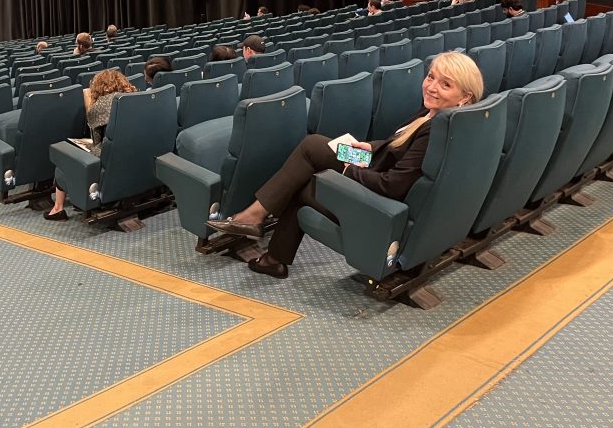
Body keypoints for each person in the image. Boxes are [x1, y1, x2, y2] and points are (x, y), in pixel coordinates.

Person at [207, 52, 485, 279]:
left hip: (375, 190)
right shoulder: (438, 115)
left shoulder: (434, 129)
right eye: (431, 76)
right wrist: (371, 147)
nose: (432, 87)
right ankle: (267, 244)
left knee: (308, 167)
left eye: (445, 85)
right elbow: (402, 144)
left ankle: (257, 223)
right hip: (373, 162)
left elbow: (394, 185)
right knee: (312, 150)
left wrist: (348, 171)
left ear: (465, 96)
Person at [46, 70, 137, 220]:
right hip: (133, 154)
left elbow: (96, 140)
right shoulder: (134, 98)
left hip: (109, 158)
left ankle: (58, 208)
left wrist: (89, 103)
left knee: (63, 157)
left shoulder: (99, 107)